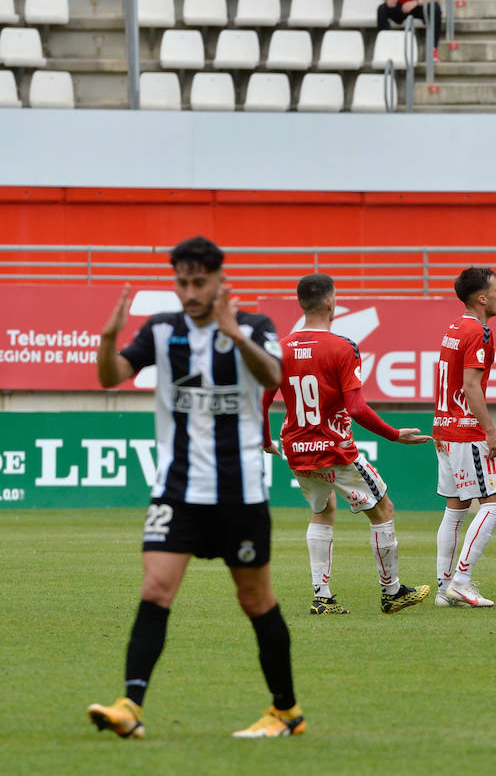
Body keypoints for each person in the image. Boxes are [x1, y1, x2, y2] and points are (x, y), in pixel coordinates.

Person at [88, 236, 304, 740]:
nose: (189, 292)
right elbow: (108, 377)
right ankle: (129, 705)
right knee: (155, 589)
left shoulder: (254, 326)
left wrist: (236, 335)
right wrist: (107, 340)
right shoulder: (163, 330)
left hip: (240, 492)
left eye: (199, 282)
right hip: (178, 489)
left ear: (218, 282)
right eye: (182, 282)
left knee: (256, 600)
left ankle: (287, 712)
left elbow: (275, 374)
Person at [263, 272, 432, 616]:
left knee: (322, 510)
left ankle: (322, 598)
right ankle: (392, 591)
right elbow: (355, 408)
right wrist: (393, 435)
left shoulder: (279, 349)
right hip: (334, 448)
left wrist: (265, 439)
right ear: (330, 302)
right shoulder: (342, 347)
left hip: (297, 447)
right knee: (383, 509)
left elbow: (260, 402)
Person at [433, 267, 496, 608]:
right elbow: (470, 385)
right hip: (466, 430)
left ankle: (443, 588)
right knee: (494, 504)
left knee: (456, 508)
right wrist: (490, 431)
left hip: (444, 427)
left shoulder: (454, 326)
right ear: (482, 298)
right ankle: (461, 580)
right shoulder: (479, 332)